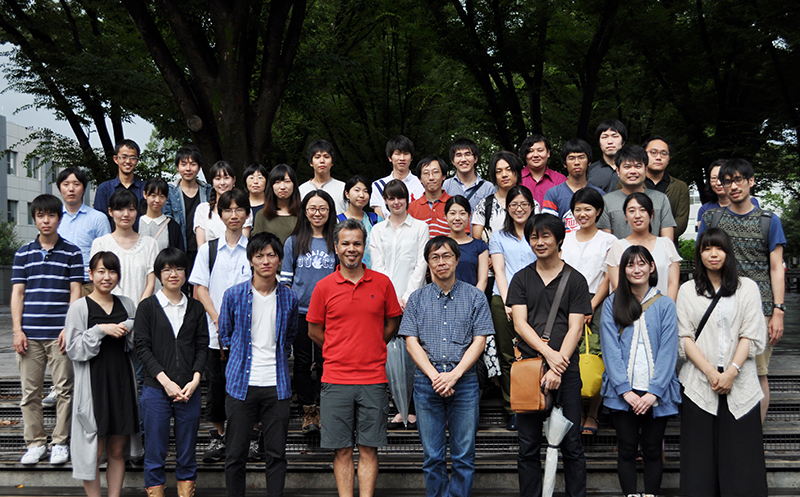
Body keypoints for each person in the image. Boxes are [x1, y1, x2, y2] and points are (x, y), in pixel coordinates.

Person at [307, 219, 402, 497]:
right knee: (342, 450)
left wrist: (373, 343)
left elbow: (392, 323)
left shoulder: (382, 283)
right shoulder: (324, 286)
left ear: (364, 246)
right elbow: (314, 330)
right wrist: (338, 347)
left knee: (369, 449)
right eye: (346, 243)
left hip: (373, 379)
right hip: (336, 380)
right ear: (336, 247)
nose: (352, 249)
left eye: (357, 243)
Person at [399, 236, 494, 497]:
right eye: (435, 257)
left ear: (457, 259)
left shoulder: (475, 296)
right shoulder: (416, 299)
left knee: (464, 455)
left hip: (464, 381)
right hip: (426, 383)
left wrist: (454, 375)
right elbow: (411, 343)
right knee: (432, 456)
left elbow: (480, 341)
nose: (441, 262)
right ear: (428, 263)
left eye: (447, 256)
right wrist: (436, 377)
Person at [677, 228, 768, 497]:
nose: (713, 254)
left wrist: (731, 372)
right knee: (699, 461)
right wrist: (710, 372)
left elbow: (751, 334)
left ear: (728, 253)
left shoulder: (747, 288)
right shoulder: (687, 290)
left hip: (740, 382)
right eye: (706, 249)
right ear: (699, 254)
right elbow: (684, 337)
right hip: (699, 382)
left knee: (741, 461)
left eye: (719, 248)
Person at [507, 214, 592, 497]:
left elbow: (575, 328)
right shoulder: (521, 278)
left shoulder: (575, 279)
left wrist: (557, 368)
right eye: (534, 237)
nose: (539, 242)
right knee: (528, 445)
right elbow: (520, 324)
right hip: (530, 369)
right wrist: (548, 356)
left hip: (566, 370)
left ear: (559, 239)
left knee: (572, 444)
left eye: (545, 236)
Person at [698, 158, 785, 422]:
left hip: (760, 309)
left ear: (751, 181)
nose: (733, 186)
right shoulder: (711, 218)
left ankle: (755, 432)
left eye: (738, 180)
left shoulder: (769, 220)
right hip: (718, 305)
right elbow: (702, 260)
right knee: (717, 366)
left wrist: (778, 311)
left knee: (758, 372)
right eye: (727, 182)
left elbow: (776, 267)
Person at [218, 232, 299, 497]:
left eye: (271, 255)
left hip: (277, 385)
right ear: (251, 260)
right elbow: (225, 334)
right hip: (241, 384)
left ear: (279, 260)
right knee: (235, 453)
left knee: (276, 454)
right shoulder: (234, 295)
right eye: (259, 255)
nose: (266, 261)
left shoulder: (289, 298)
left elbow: (289, 336)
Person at [600, 245, 680, 497]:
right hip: (623, 391)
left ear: (652, 267)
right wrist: (625, 391)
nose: (637, 269)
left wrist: (653, 392)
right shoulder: (612, 303)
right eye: (630, 264)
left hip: (657, 390)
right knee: (626, 448)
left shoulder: (665, 304)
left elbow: (668, 350)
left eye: (642, 263)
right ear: (623, 270)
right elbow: (610, 350)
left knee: (653, 449)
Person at [12, 194, 83, 466]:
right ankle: (35, 443)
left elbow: (75, 292)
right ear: (34, 219)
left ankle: (60, 443)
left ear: (59, 218)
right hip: (29, 335)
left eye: (51, 215)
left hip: (59, 335)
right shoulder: (23, 253)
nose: (46, 220)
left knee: (65, 391)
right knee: (30, 393)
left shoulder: (72, 252)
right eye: (41, 215)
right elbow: (18, 294)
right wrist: (17, 331)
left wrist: (69, 327)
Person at [64, 252, 140, 497]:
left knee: (117, 450)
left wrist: (130, 325)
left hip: (121, 381)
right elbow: (73, 349)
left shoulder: (127, 303)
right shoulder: (79, 307)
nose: (107, 277)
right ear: (90, 274)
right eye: (101, 271)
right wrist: (99, 330)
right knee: (93, 453)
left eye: (112, 271)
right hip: (93, 385)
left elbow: (137, 342)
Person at [134, 249, 208, 497]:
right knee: (155, 450)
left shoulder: (196, 308)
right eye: (166, 269)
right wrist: (165, 382)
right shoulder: (147, 307)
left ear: (186, 273)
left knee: (187, 451)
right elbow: (142, 348)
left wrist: (195, 379)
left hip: (189, 389)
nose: (173, 274)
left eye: (178, 268)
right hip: (156, 389)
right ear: (158, 274)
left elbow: (202, 345)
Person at [188, 189, 253, 463]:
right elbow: (200, 288)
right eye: (228, 210)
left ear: (247, 214)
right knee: (217, 386)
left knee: (251, 386)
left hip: (250, 334)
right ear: (220, 214)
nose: (234, 215)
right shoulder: (208, 249)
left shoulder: (254, 250)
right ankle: (218, 437)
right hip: (215, 334)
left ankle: (249, 438)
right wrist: (217, 317)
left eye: (239, 209)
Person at [369, 179, 428, 428]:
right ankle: (397, 407)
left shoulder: (420, 227)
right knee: (389, 356)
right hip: (385, 302)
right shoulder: (377, 230)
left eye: (400, 197)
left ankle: (413, 408)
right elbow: (377, 266)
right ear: (385, 201)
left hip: (413, 302)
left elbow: (421, 264)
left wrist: (407, 296)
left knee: (414, 353)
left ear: (407, 199)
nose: (396, 202)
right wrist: (392, 298)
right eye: (391, 198)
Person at [560, 187, 617, 435]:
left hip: (598, 302)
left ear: (598, 211)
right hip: (567, 302)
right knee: (571, 355)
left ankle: (593, 413)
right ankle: (578, 412)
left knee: (596, 355)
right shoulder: (565, 238)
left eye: (588, 209)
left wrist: (590, 306)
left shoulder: (609, 241)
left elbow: (607, 277)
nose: (582, 214)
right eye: (578, 209)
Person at [281, 190, 338, 434]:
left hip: (331, 314)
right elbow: (285, 282)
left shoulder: (336, 240)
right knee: (303, 362)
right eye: (312, 208)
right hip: (301, 312)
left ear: (330, 211)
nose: (317, 213)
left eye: (322, 208)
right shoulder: (293, 241)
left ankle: (327, 408)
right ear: (305, 211)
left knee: (327, 361)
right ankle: (309, 411)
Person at [488, 185, 539, 430]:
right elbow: (499, 270)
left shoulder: (539, 234)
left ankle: (537, 403)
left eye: (524, 204)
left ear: (532, 206)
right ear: (507, 208)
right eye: (514, 205)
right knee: (509, 356)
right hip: (503, 300)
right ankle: (514, 408)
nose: (519, 209)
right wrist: (510, 302)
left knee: (536, 352)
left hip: (537, 300)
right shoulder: (498, 236)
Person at [606, 193, 681, 301]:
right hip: (630, 309)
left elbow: (673, 283)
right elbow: (617, 287)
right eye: (632, 211)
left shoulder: (666, 244)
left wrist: (667, 307)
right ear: (626, 216)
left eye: (642, 210)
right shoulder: (618, 246)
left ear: (652, 214)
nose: (637, 215)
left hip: (662, 308)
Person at [90, 190, 158, 305]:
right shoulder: (100, 244)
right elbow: (97, 281)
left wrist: (140, 310)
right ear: (110, 211)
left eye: (131, 209)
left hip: (141, 310)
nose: (126, 214)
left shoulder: (150, 244)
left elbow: (151, 283)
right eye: (120, 209)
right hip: (108, 310)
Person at [597, 145, 676, 239]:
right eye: (627, 167)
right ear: (618, 171)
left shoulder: (661, 199)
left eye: (638, 166)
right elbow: (606, 242)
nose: (633, 171)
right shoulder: (606, 202)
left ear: (645, 170)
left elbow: (667, 241)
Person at [56, 167, 112, 295]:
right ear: (60, 188)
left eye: (76, 184)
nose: (71, 189)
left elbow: (107, 253)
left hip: (88, 284)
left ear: (84, 188)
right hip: (59, 283)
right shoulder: (53, 219)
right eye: (66, 184)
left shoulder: (98, 218)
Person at [163, 146, 213, 275]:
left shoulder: (208, 191)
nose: (188, 168)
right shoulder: (170, 192)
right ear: (177, 167)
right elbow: (167, 222)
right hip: (179, 250)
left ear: (199, 167)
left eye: (193, 164)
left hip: (204, 249)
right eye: (183, 164)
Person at [542, 138, 604, 232]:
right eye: (571, 158)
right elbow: (548, 227)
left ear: (589, 162)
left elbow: (603, 228)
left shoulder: (600, 194)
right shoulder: (553, 194)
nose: (577, 162)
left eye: (581, 157)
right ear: (564, 163)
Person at [643, 136, 690, 243]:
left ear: (669, 159)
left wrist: (660, 238)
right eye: (653, 152)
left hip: (668, 245)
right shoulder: (630, 184)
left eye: (664, 153)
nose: (658, 157)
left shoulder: (680, 187)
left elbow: (681, 221)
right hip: (634, 246)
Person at [194, 161, 253, 246]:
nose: (222, 183)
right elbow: (201, 246)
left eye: (226, 178)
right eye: (218, 179)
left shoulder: (242, 209)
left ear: (234, 180)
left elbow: (242, 243)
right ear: (212, 182)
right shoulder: (202, 209)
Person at [93, 139, 145, 230]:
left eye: (132, 158)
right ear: (115, 159)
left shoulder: (145, 189)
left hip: (141, 237)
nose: (128, 161)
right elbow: (99, 221)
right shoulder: (104, 189)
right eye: (123, 157)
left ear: (137, 161)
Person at [370, 135, 424, 219]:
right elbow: (380, 218)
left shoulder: (422, 184)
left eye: (406, 154)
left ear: (411, 157)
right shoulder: (378, 185)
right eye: (397, 154)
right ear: (390, 158)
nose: (402, 158)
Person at [696, 159, 759, 229]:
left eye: (722, 178)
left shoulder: (751, 202)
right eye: (714, 178)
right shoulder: (706, 211)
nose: (718, 183)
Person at [337, 175, 383, 269]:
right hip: (346, 273)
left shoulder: (376, 220)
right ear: (347, 194)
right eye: (357, 190)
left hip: (373, 273)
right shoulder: (337, 221)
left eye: (365, 191)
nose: (362, 195)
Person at [446, 196, 488, 292]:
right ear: (445, 215)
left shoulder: (480, 246)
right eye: (452, 213)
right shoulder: (438, 245)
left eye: (462, 213)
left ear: (469, 216)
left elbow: (483, 280)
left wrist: (474, 299)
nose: (457, 218)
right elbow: (435, 279)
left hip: (473, 297)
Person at [442, 138, 496, 211]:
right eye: (459, 155)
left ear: (475, 158)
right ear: (453, 161)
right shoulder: (446, 185)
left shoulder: (488, 188)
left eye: (468, 154)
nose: (463, 159)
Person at [252, 164, 301, 244]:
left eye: (287, 181)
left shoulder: (303, 214)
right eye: (277, 182)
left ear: (294, 184)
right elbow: (257, 245)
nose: (282, 187)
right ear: (271, 186)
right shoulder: (262, 215)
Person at [298, 140, 347, 215]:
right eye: (317, 157)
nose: (322, 161)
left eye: (326, 157)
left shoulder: (343, 188)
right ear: (311, 162)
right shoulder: (302, 190)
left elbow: (350, 215)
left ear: (332, 162)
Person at [408, 156, 453, 238]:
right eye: (426, 173)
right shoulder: (411, 208)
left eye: (435, 172)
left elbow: (463, 238)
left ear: (444, 176)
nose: (431, 178)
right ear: (420, 179)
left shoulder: (455, 205)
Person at [139, 178, 185, 257]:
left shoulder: (173, 227)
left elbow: (179, 257)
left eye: (162, 196)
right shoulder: (135, 224)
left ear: (167, 197)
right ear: (145, 195)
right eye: (153, 195)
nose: (157, 200)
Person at [518, 134, 566, 206]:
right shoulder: (516, 178)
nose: (535, 155)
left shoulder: (560, 180)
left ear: (548, 153)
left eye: (540, 150)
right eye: (530, 151)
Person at [587, 119, 626, 193]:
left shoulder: (633, 170)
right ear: (599, 142)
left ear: (623, 141)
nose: (610, 141)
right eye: (605, 137)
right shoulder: (589, 171)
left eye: (615, 136)